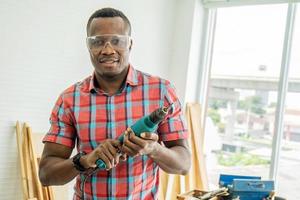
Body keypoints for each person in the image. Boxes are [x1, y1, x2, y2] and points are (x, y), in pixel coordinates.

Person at [39, 7, 191, 200]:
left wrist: (153, 149)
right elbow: (46, 175)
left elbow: (184, 165)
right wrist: (85, 161)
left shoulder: (161, 92)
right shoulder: (70, 100)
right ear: (88, 46)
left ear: (130, 44)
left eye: (117, 41)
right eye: (98, 42)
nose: (108, 50)